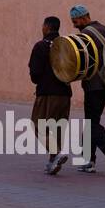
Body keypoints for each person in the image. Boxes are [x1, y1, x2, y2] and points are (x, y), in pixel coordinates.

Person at [69, 4, 105, 176]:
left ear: (85, 16)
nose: (74, 24)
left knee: (91, 123)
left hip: (94, 85)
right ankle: (88, 161)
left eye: (76, 20)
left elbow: (79, 61)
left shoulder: (86, 34)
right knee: (91, 120)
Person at [29, 16, 72, 175]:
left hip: (47, 93)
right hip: (65, 94)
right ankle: (53, 162)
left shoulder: (40, 47)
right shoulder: (66, 46)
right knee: (58, 128)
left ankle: (57, 154)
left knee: (38, 126)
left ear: (46, 27)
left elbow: (35, 73)